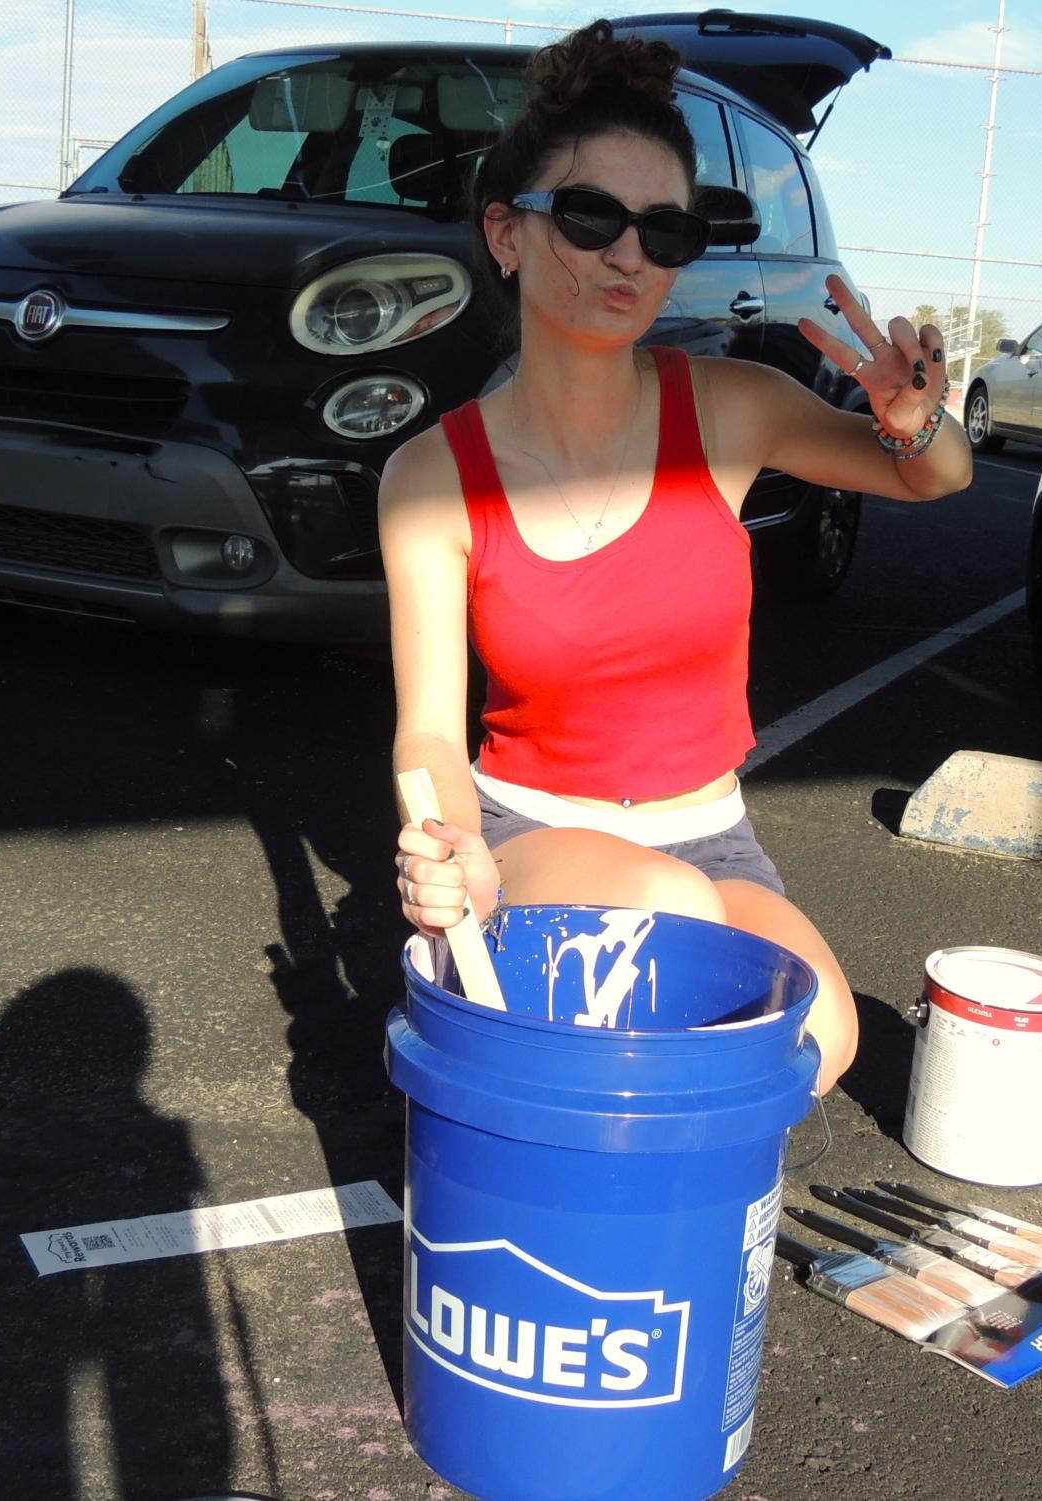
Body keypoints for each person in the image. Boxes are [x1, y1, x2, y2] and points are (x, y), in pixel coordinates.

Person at [378, 19, 972, 1095]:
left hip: (714, 833)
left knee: (814, 1046)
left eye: (666, 231)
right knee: (671, 924)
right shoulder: (433, 475)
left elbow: (937, 479)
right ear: (507, 234)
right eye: (593, 216)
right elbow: (427, 724)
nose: (628, 255)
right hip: (534, 832)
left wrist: (912, 417)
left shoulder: (735, 411)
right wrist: (453, 847)